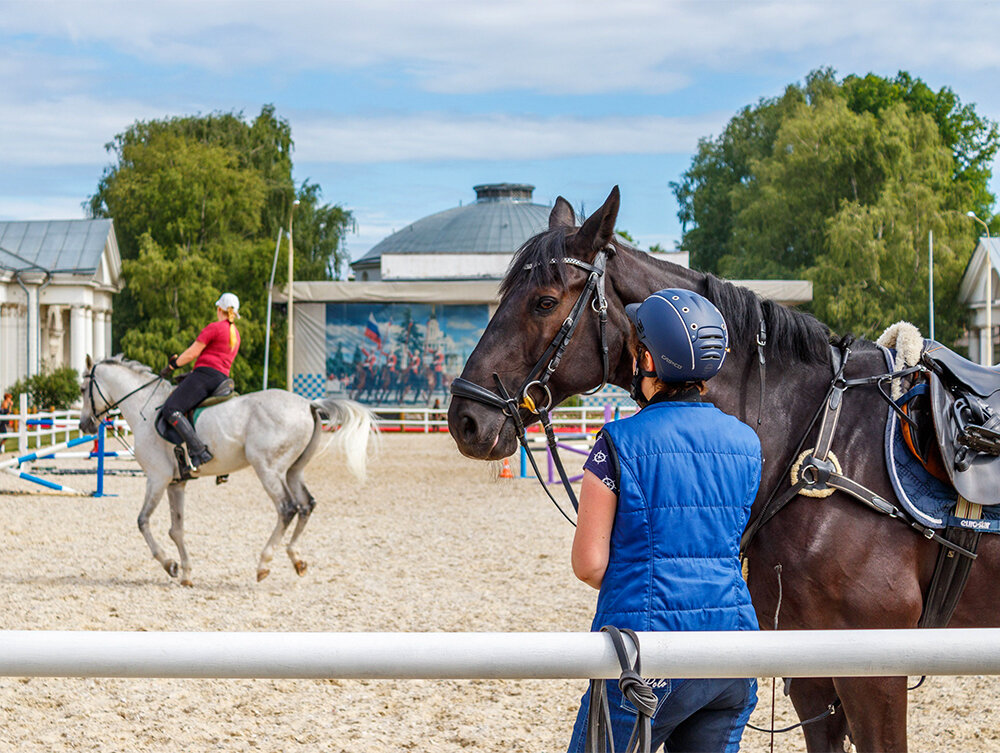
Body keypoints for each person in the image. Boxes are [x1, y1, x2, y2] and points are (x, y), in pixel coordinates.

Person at [567, 289, 761, 753]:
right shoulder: (747, 443)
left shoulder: (615, 442)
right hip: (732, 652)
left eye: (636, 353)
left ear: (649, 361)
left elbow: (590, 564)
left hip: (647, 654)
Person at [159, 293, 241, 470]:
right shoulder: (236, 335)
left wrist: (172, 365)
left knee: (171, 409)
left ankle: (198, 450)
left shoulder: (215, 327)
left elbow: (192, 353)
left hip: (205, 375)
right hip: (221, 378)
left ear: (220, 309)